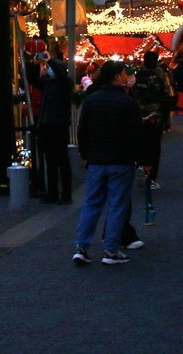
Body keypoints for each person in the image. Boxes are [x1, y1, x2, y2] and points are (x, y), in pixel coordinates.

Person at [72, 61, 149, 266]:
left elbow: (83, 131)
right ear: (117, 77)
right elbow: (136, 134)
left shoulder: (91, 100)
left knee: (92, 203)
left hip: (97, 160)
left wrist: (86, 155)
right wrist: (143, 160)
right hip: (121, 160)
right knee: (117, 205)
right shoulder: (127, 102)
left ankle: (81, 247)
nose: (127, 77)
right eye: (125, 73)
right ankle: (111, 250)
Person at [35, 55, 74, 205]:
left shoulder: (65, 83)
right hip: (46, 126)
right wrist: (33, 63)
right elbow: (33, 79)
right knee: (50, 161)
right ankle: (52, 192)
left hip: (58, 126)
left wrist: (50, 59)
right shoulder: (48, 84)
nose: (49, 70)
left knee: (62, 160)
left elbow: (61, 74)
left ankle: (66, 193)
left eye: (51, 68)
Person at [130, 50, 172, 189]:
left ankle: (141, 167)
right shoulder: (159, 78)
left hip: (139, 116)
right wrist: (166, 119)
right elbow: (167, 98)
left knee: (141, 143)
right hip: (156, 117)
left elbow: (132, 96)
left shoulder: (137, 77)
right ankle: (151, 176)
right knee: (154, 146)